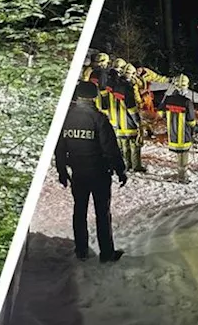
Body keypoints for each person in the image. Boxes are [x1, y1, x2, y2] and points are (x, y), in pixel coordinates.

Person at [55, 81, 126, 262]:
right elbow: (110, 148)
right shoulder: (99, 118)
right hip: (99, 173)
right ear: (94, 96)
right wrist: (120, 169)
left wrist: (62, 171)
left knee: (79, 211)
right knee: (102, 213)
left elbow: (60, 148)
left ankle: (81, 251)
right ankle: (107, 253)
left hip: (78, 173)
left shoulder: (66, 118)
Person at [158, 75, 197, 183]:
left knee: (179, 155)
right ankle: (182, 177)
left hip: (173, 134)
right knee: (183, 156)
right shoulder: (187, 102)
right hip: (184, 135)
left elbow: (160, 113)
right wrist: (193, 131)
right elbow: (191, 121)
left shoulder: (168, 99)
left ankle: (180, 174)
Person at [106, 66, 142, 172]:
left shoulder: (116, 85)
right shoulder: (127, 88)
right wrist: (138, 122)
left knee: (123, 145)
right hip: (129, 122)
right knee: (134, 145)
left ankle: (126, 165)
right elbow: (132, 108)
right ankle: (136, 166)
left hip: (118, 121)